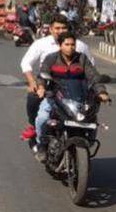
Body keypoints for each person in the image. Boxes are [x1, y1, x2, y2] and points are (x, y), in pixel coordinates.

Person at [33, 32, 109, 160]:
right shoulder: (51, 58)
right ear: (60, 45)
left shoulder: (82, 59)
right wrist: (41, 88)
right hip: (55, 96)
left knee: (92, 118)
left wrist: (102, 92)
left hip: (78, 98)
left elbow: (94, 77)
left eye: (72, 44)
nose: (70, 47)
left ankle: (88, 140)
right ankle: (41, 146)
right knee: (42, 118)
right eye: (66, 44)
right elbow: (42, 75)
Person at [19, 15, 95, 141]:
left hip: (74, 87)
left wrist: (97, 89)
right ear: (51, 29)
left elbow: (91, 68)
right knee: (33, 99)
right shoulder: (41, 44)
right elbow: (26, 63)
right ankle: (35, 127)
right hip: (49, 85)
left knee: (90, 111)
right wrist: (33, 83)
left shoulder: (80, 46)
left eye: (63, 28)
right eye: (57, 28)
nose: (60, 31)